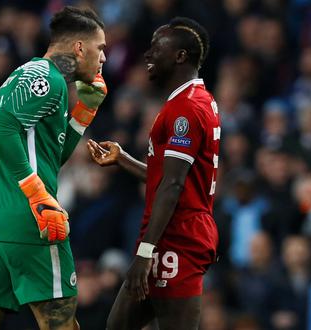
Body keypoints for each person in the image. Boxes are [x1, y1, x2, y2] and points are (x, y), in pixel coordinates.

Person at [0, 6, 108, 330]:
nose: (103, 59)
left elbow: (48, 155)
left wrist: (84, 113)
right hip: (31, 221)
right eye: (100, 48)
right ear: (79, 48)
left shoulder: (33, 76)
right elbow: (0, 128)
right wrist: (37, 194)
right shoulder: (46, 78)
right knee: (62, 326)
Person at [87, 17, 219, 330]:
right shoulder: (198, 100)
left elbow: (173, 186)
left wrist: (145, 253)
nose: (147, 55)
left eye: (156, 49)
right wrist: (124, 160)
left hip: (178, 238)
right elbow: (172, 178)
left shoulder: (185, 109)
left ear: (180, 56)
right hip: (169, 234)